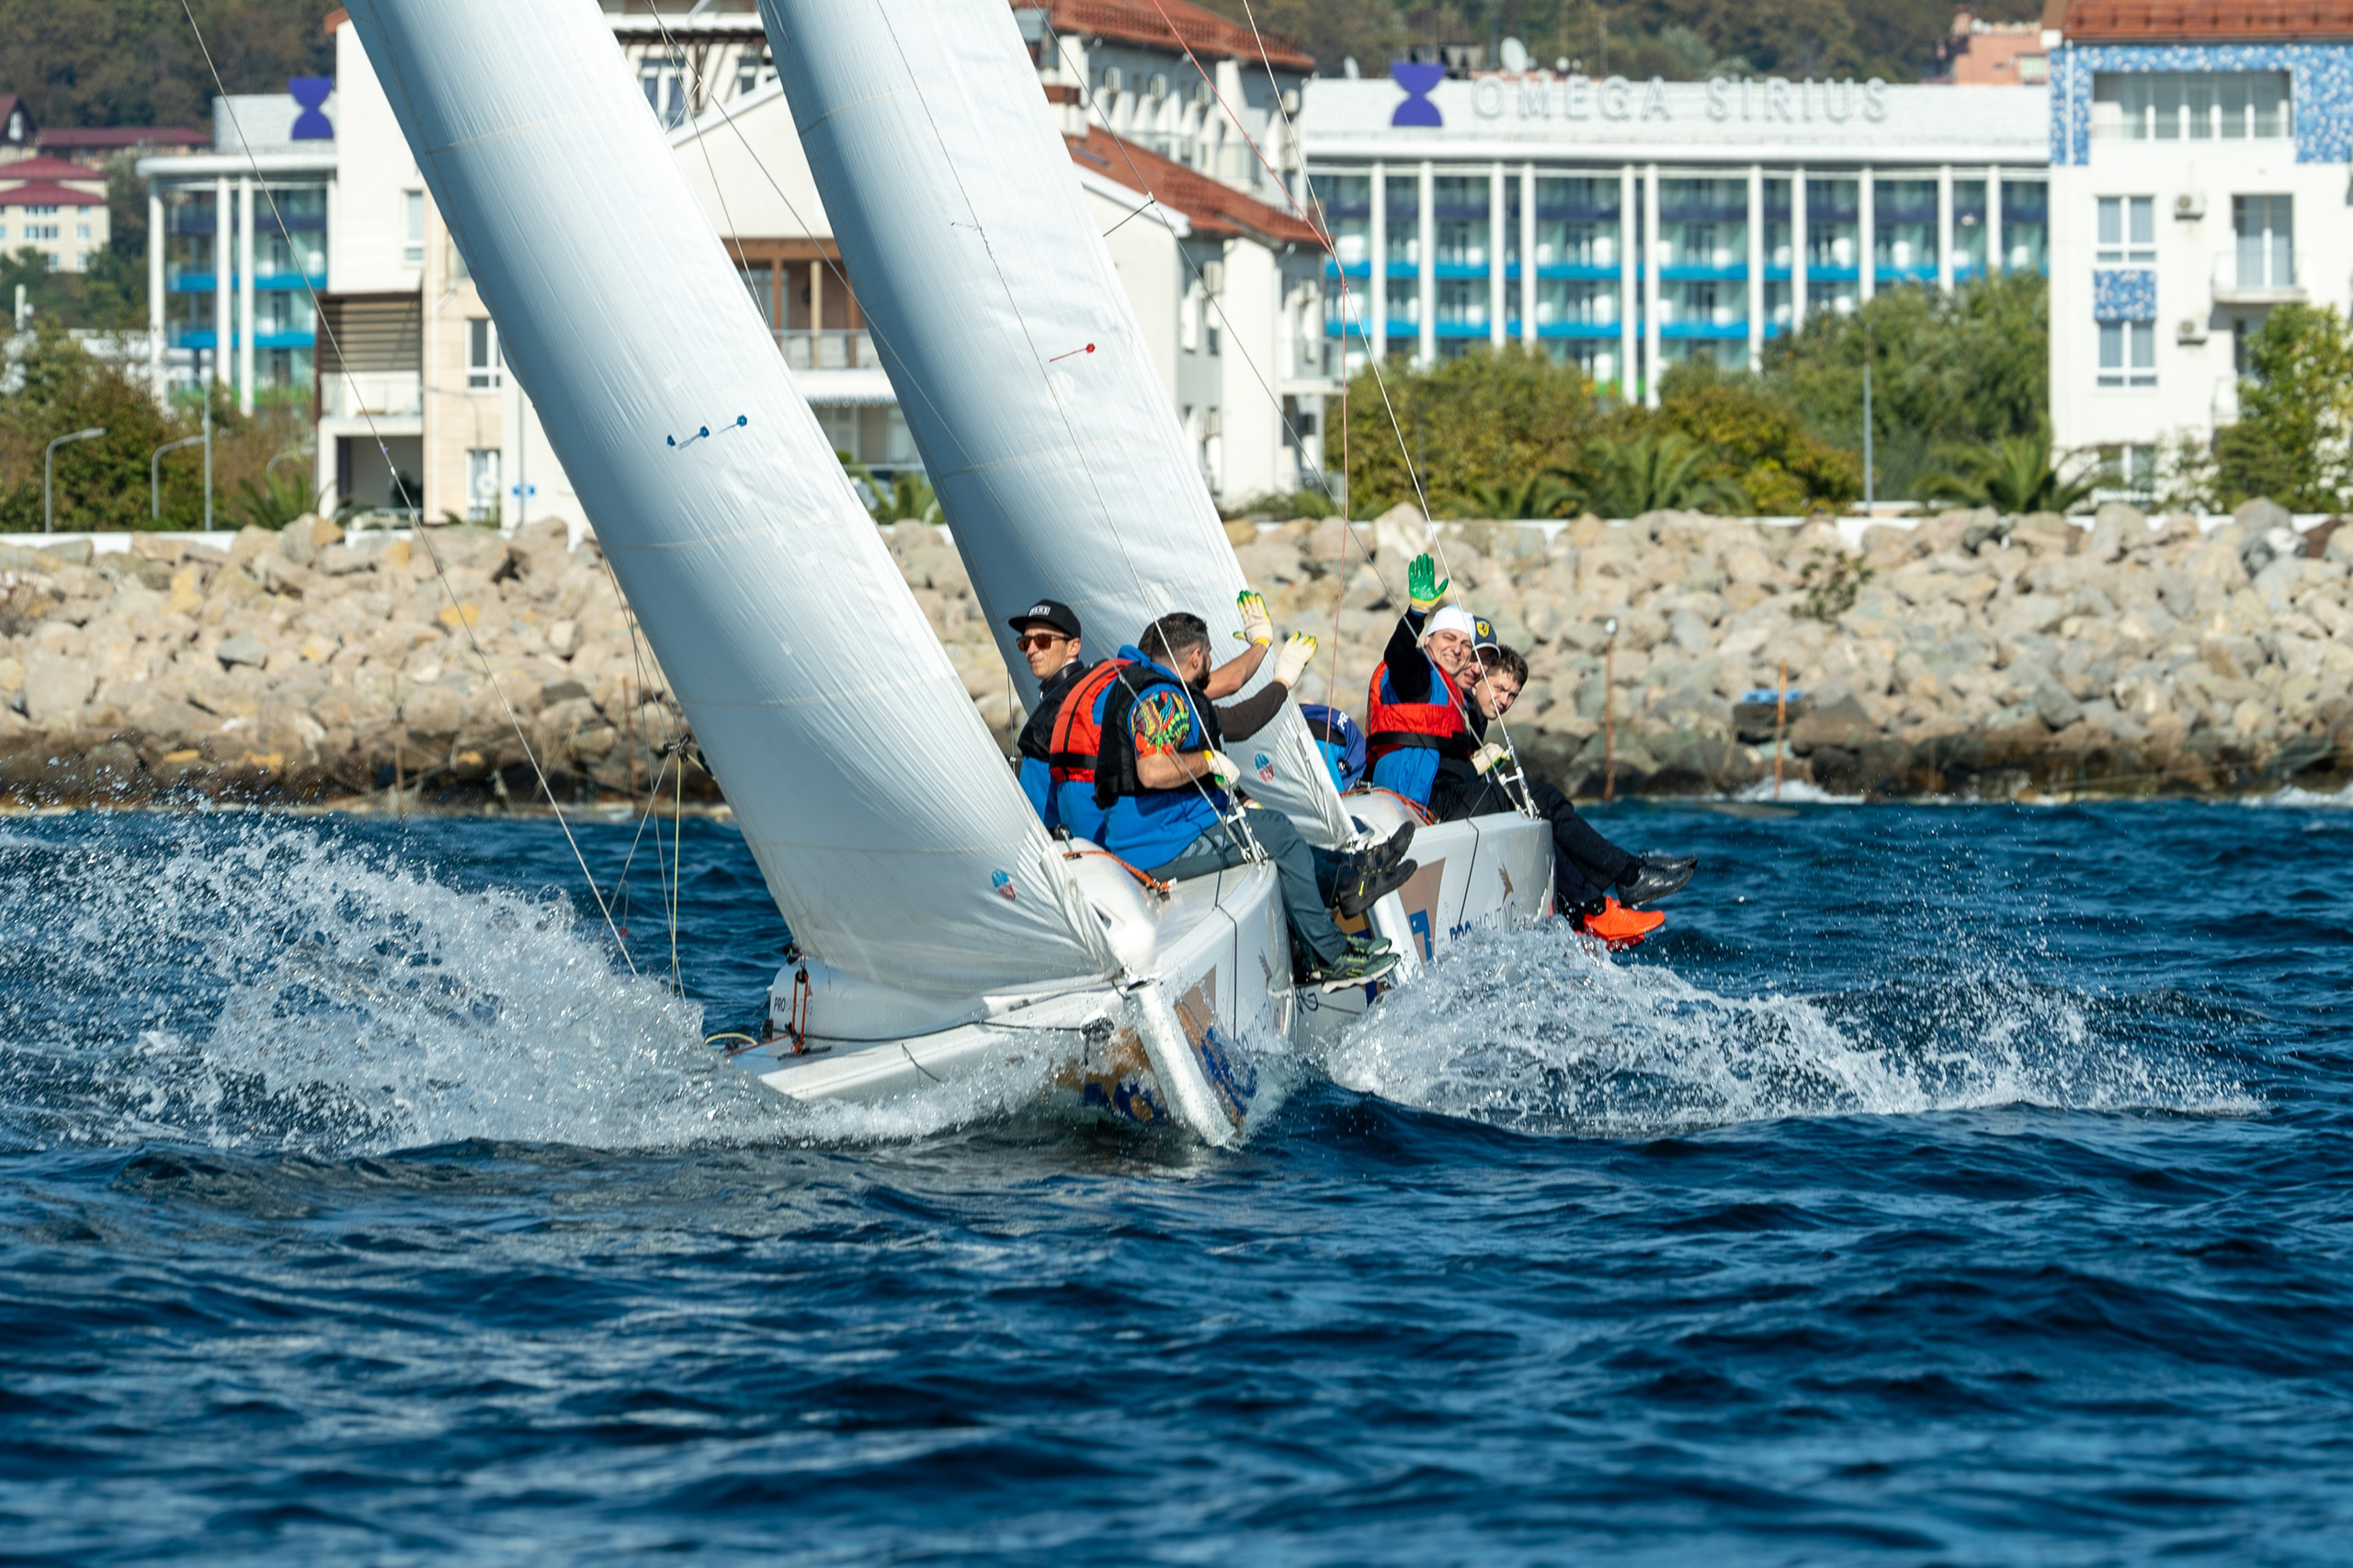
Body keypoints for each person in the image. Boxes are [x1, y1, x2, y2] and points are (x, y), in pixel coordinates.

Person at [1094, 611, 1401, 984]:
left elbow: (1232, 691)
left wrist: (1262, 647)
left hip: (1165, 831)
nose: (1211, 662)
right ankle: (1329, 954)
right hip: (1160, 845)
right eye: (1209, 653)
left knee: (1270, 831)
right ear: (1196, 657)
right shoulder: (1161, 698)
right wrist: (1208, 761)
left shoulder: (1153, 684)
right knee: (1278, 831)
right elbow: (1152, 770)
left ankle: (1344, 881)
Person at [1436, 639, 1697, 912]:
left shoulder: (1475, 714)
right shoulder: (1456, 704)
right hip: (1440, 806)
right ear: (1478, 678)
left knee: (1542, 816)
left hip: (1457, 800)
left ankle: (1598, 900)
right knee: (1546, 800)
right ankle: (1620, 884)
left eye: (1512, 695)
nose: (1504, 701)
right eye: (1499, 688)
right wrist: (1476, 766)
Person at [1045, 588, 1282, 844]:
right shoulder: (1156, 690)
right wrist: (1275, 667)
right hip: (1108, 811)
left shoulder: (1115, 675)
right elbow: (1233, 700)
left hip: (1065, 799)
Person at [1364, 552, 1478, 807]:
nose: (1457, 649)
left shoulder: (1458, 695)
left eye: (1466, 644)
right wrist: (1416, 614)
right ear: (1428, 639)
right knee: (1545, 799)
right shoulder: (1419, 675)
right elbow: (1397, 656)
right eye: (1449, 638)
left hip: (1444, 793)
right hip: (1414, 796)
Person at [1007, 598, 1092, 830]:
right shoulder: (1059, 695)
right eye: (1025, 642)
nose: (1031, 650)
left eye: (1043, 640)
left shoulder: (1077, 699)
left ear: (1073, 647)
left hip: (1061, 837)